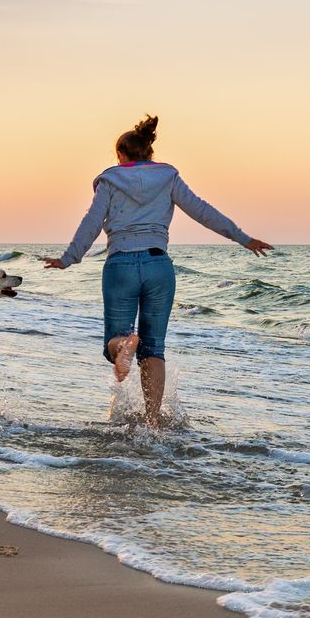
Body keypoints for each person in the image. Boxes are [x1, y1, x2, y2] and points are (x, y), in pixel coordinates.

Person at [42, 115, 272, 428]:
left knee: (116, 339)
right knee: (153, 348)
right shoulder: (168, 177)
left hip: (121, 264)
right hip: (158, 266)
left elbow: (91, 223)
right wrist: (243, 238)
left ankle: (123, 347)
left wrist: (68, 258)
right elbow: (203, 211)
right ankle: (152, 423)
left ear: (121, 155)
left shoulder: (110, 181)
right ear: (149, 153)